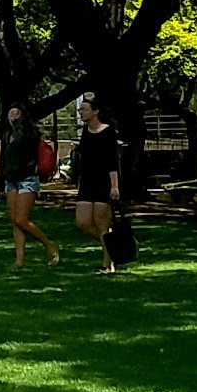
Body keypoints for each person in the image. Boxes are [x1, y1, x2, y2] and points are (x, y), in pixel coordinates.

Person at [0, 105, 59, 270]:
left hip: (27, 178)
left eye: (16, 113)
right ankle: (19, 261)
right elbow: (6, 159)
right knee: (15, 221)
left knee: (22, 219)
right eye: (10, 113)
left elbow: (26, 145)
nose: (12, 116)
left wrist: (18, 126)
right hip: (11, 180)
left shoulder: (30, 134)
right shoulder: (6, 136)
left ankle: (49, 244)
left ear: (23, 116)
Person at [74, 94, 122, 273]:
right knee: (83, 222)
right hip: (86, 182)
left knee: (102, 223)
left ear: (95, 112)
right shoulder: (85, 132)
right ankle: (111, 246)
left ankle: (107, 264)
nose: (80, 112)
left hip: (104, 182)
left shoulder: (108, 132)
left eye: (84, 109)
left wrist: (115, 186)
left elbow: (112, 162)